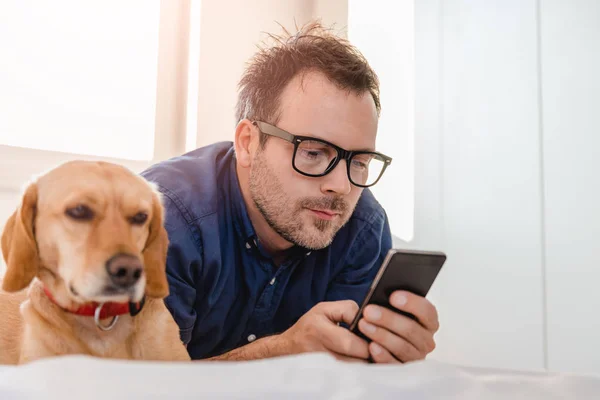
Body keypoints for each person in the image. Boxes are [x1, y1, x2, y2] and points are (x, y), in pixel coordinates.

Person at [141, 21, 439, 363]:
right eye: (313, 153)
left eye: (359, 161)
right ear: (248, 143)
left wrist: (385, 363)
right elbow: (141, 388)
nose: (341, 186)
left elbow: (343, 381)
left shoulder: (363, 229)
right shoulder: (161, 221)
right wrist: (280, 352)